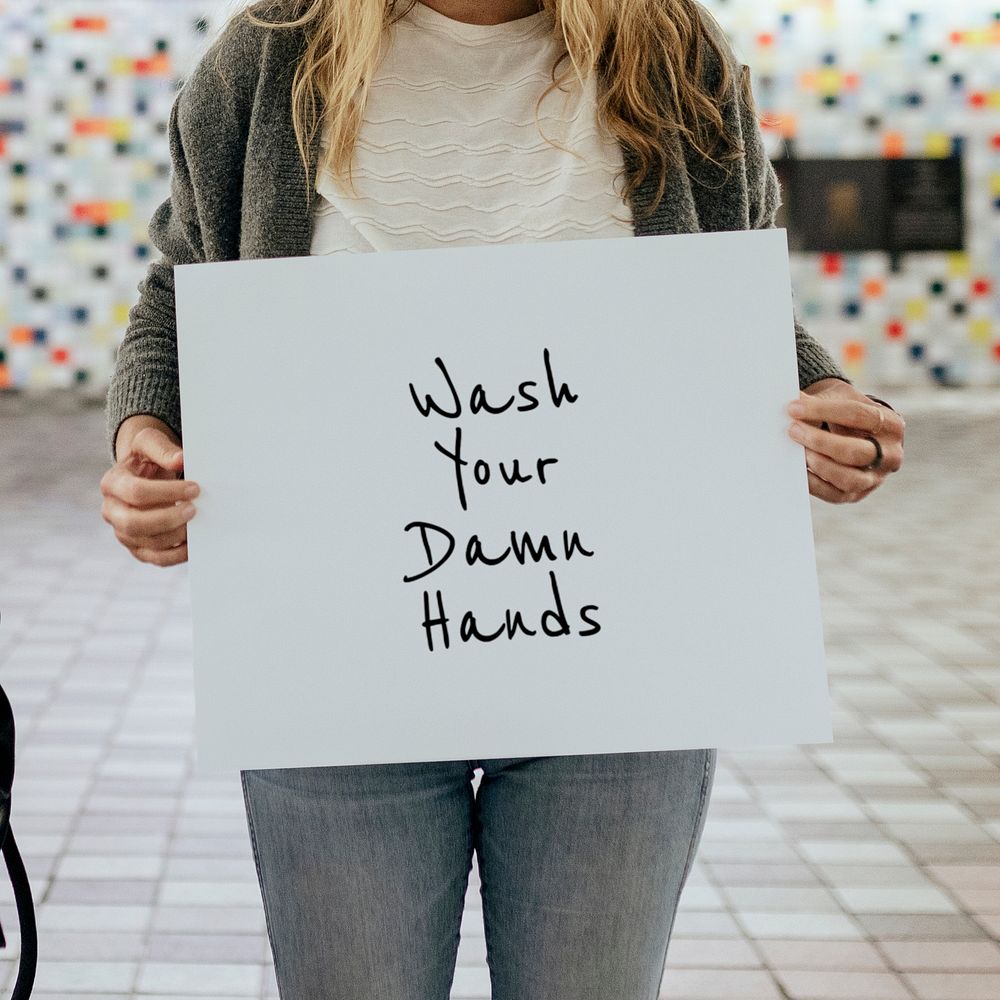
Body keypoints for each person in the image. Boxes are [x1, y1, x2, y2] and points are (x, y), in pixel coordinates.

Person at [100, 2, 905, 997]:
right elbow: (178, 300)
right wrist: (144, 436)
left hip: (624, 674)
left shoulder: (674, 50)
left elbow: (731, 297)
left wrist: (826, 394)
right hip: (336, 670)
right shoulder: (271, 54)